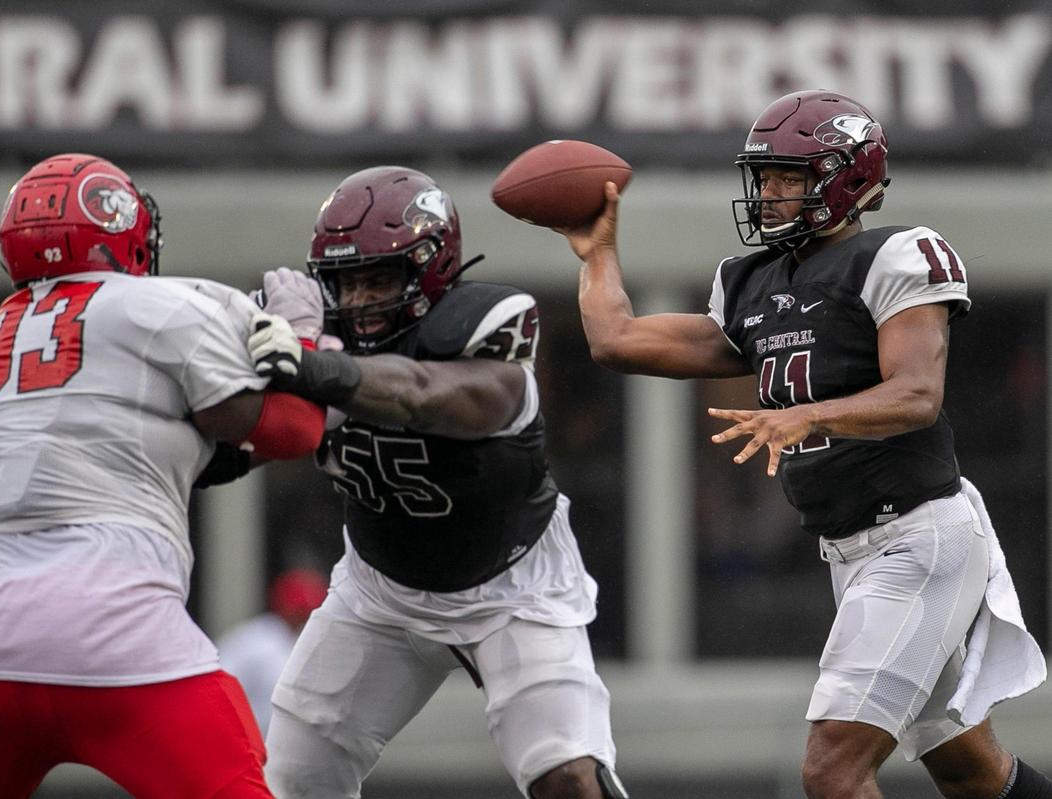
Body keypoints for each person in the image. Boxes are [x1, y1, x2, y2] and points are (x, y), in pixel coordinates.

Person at [553, 89, 1052, 799]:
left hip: (916, 536)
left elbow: (916, 395)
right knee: (968, 768)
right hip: (852, 548)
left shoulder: (896, 254)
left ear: (847, 178)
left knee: (832, 768)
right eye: (765, 177)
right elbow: (617, 339)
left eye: (791, 176)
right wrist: (598, 254)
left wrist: (808, 416)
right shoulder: (753, 280)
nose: (771, 193)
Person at [0, 153, 327, 799]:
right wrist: (303, 339)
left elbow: (158, 450)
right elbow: (293, 429)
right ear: (121, 229)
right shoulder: (161, 303)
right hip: (114, 633)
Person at [243, 166, 629, 799]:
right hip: (377, 592)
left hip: (512, 586)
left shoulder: (485, 341)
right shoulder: (317, 337)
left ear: (430, 271)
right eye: (346, 281)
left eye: (378, 279)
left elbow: (419, 394)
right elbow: (243, 431)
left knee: (566, 776)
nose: (361, 300)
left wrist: (308, 362)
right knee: (294, 780)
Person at [217, 568, 329, 735]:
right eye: (301, 611)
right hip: (242, 739)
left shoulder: (306, 641)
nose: (304, 617)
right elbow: (218, 685)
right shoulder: (257, 638)